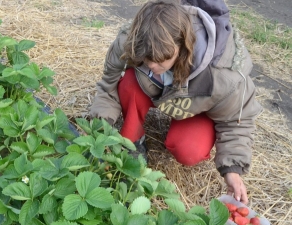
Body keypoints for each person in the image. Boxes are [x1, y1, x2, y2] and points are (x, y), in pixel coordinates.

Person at [89, 0, 262, 204]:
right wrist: (101, 125)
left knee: (189, 150)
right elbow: (108, 84)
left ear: (182, 46)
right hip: (158, 91)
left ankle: (184, 135)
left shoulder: (223, 74)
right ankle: (134, 138)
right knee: (128, 82)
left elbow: (236, 120)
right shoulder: (132, 40)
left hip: (194, 107)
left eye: (161, 59)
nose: (152, 65)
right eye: (146, 59)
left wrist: (233, 169)